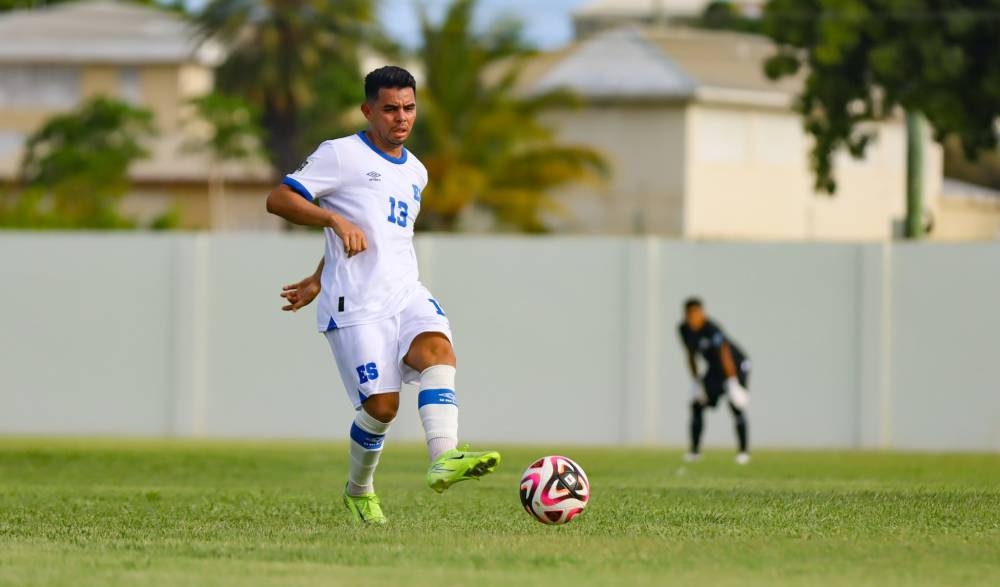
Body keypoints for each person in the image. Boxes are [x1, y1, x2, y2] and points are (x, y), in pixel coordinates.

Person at [265, 66, 500, 525]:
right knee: (381, 408)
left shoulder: (416, 171)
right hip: (354, 304)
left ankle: (444, 457)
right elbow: (279, 199)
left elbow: (378, 235)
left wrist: (317, 272)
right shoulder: (340, 155)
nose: (401, 118)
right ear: (368, 110)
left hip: (404, 291)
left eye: (409, 108)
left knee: (439, 351)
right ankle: (358, 490)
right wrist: (333, 224)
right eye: (390, 108)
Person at [677, 297, 751, 465]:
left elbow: (725, 354)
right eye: (690, 315)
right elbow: (690, 355)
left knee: (736, 404)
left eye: (697, 313)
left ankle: (743, 452)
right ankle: (695, 452)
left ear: (702, 313)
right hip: (714, 369)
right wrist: (696, 382)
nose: (694, 318)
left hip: (736, 365)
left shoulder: (712, 328)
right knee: (697, 403)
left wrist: (733, 382)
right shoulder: (683, 329)